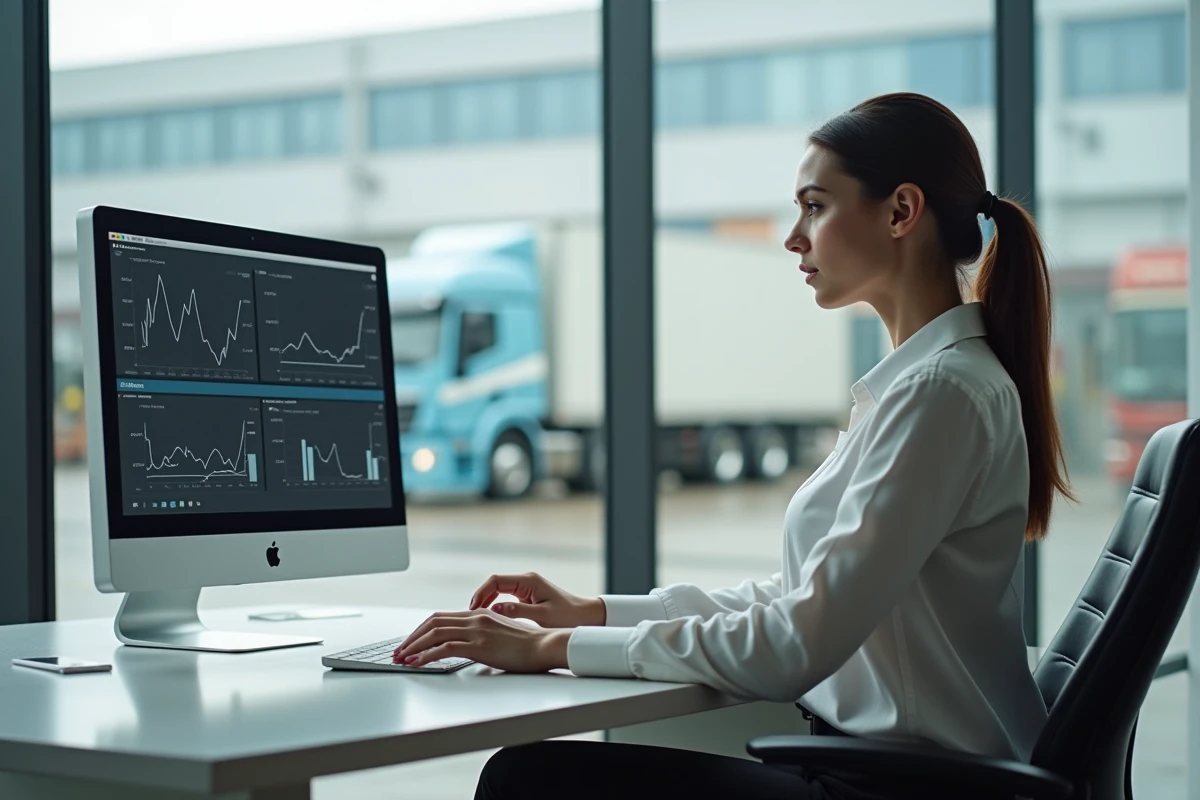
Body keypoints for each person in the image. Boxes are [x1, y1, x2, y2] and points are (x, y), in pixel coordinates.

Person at [393, 92, 1074, 800]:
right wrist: (594, 613)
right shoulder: (924, 386)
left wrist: (551, 647)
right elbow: (802, 598)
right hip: (882, 769)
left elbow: (796, 643)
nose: (794, 237)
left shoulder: (941, 393)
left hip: (904, 787)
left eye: (815, 207)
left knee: (527, 778)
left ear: (901, 211)